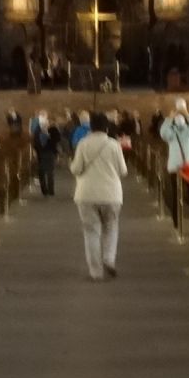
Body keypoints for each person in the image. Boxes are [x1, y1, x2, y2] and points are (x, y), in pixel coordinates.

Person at [70, 112, 128, 281]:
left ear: (91, 126)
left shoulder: (83, 144)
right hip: (111, 194)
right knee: (111, 228)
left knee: (91, 232)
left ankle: (95, 272)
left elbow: (76, 169)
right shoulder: (113, 145)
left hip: (86, 194)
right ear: (107, 127)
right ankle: (109, 258)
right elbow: (123, 170)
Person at [159, 98, 189, 219]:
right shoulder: (171, 132)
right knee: (176, 195)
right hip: (176, 167)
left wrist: (187, 114)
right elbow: (163, 133)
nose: (180, 118)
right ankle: (177, 221)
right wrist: (170, 118)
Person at [30, 110, 60, 196]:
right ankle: (50, 190)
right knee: (49, 172)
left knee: (43, 172)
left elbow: (35, 142)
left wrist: (35, 150)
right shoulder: (52, 130)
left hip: (43, 153)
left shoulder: (37, 131)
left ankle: (46, 190)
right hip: (48, 153)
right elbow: (56, 141)